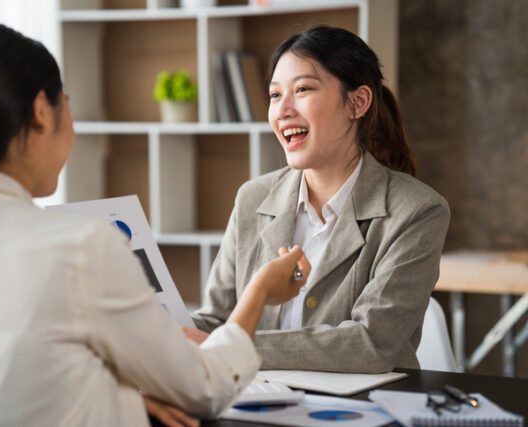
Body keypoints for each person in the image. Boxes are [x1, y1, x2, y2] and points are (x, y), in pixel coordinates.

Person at [0, 22, 310, 427]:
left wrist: (122, 395)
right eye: (66, 104)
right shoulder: (77, 245)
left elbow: (3, 380)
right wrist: (258, 294)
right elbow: (204, 388)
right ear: (41, 112)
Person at [190, 26, 450, 374]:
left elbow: (369, 343)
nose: (282, 110)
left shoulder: (417, 210)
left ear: (357, 102)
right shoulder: (252, 198)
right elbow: (215, 320)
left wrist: (231, 349)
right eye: (274, 95)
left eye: (302, 90)